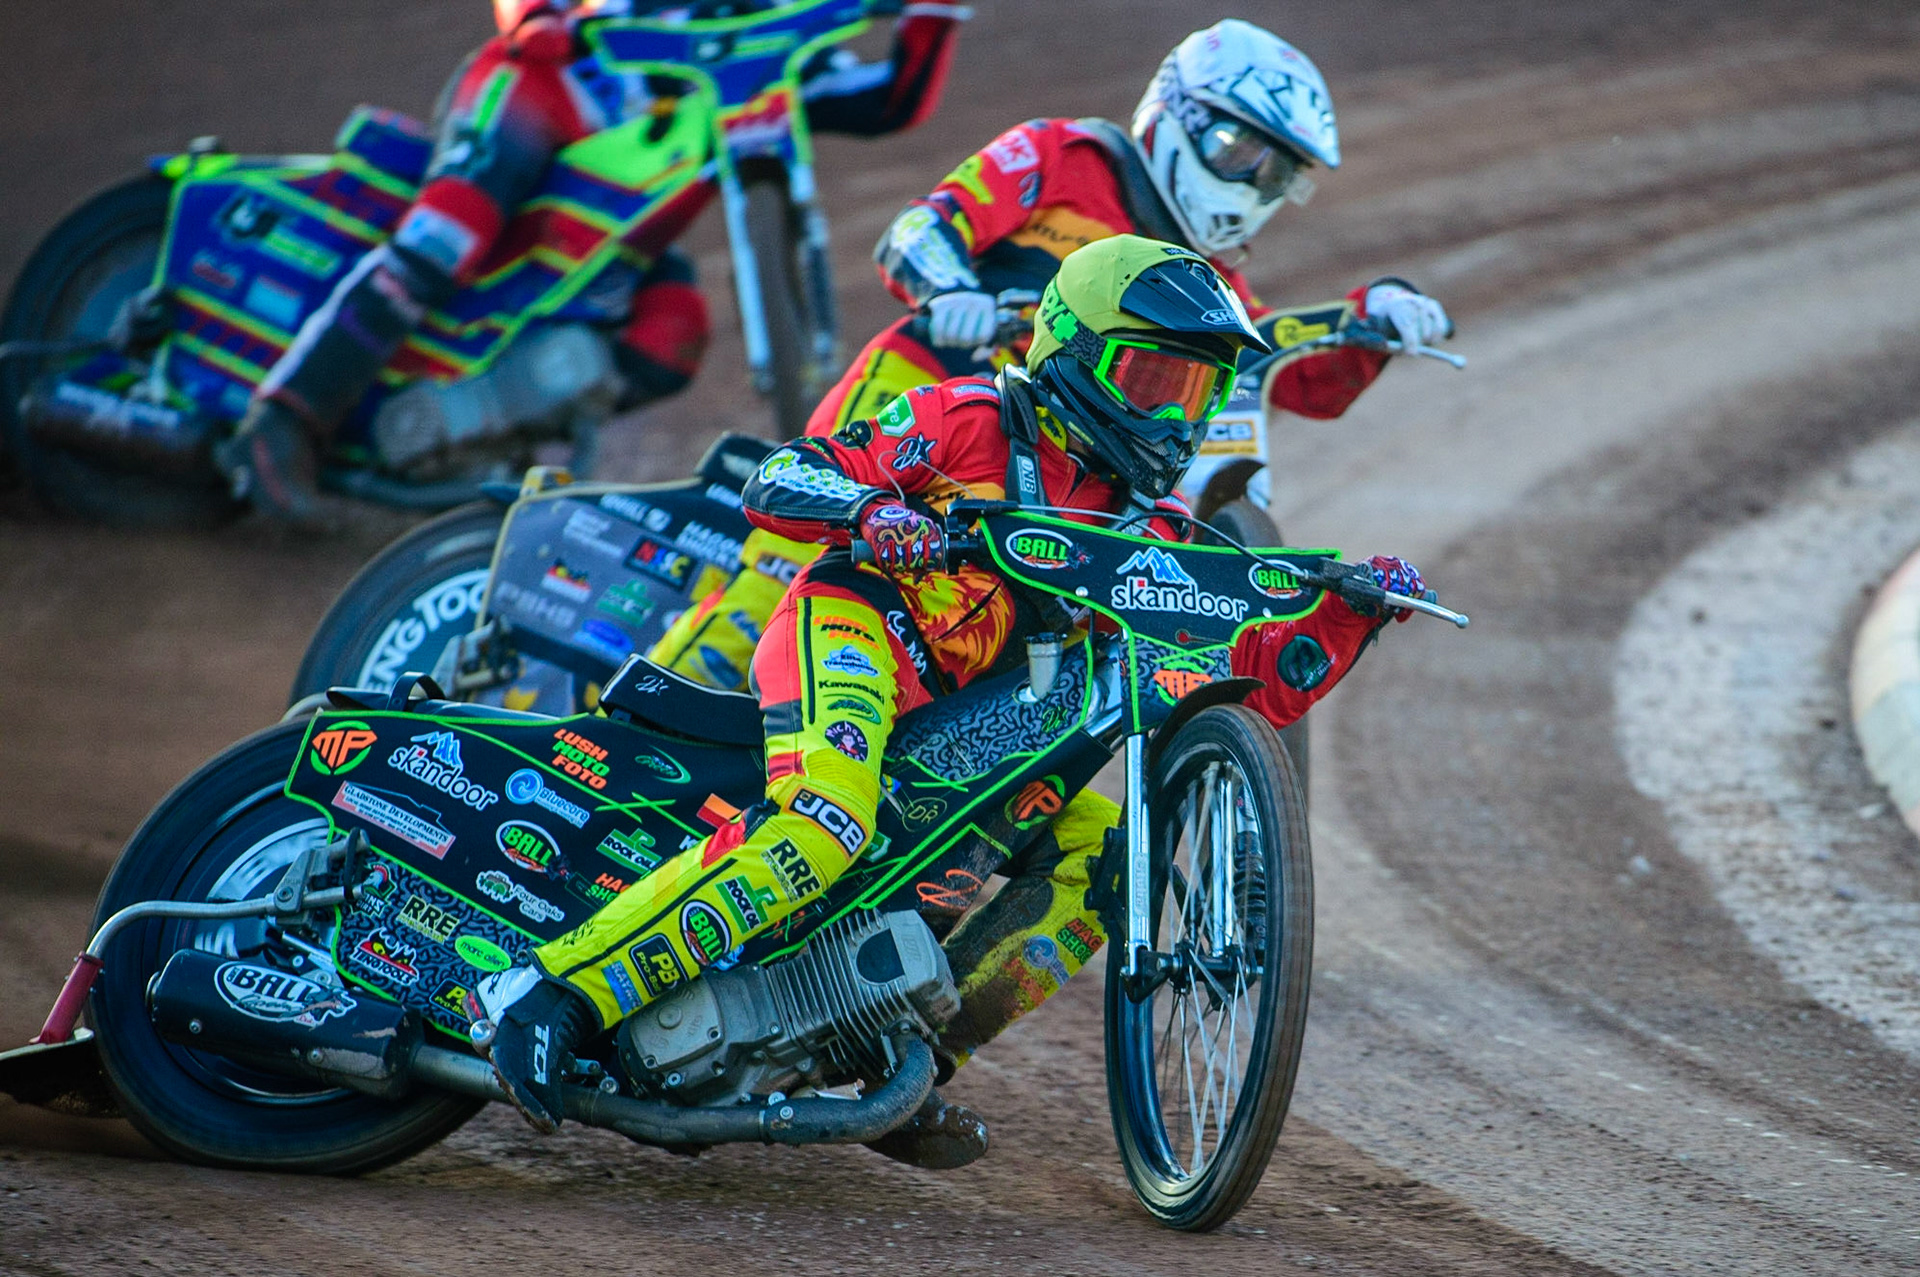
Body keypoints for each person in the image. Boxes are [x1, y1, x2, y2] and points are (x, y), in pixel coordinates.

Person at [472, 235, 1428, 1168]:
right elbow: (785, 475)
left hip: (963, 732)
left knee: (1104, 854)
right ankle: (549, 995)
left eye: (1196, 391)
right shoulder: (970, 416)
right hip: (857, 633)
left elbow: (1259, 674)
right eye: (1151, 381)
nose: (1174, 417)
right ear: (1076, 353)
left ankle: (899, 1066)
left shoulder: (1161, 533)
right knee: (823, 825)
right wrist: (870, 511)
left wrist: (1348, 615)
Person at [645, 16, 1449, 691]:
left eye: (1279, 174)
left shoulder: (1208, 284)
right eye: (1243, 149)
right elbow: (919, 230)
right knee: (777, 577)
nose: (1254, 182)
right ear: (1179, 114)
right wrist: (947, 289)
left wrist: (1365, 319)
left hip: (1055, 468)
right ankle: (618, 742)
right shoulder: (1062, 155)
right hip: (927, 391)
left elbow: (1284, 369)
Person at [219, 0, 968, 524]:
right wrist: (538, 18)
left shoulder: (770, 30)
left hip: (615, 238)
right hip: (550, 85)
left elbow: (881, 101)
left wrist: (932, 17)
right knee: (447, 233)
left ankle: (472, 440)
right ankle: (281, 418)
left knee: (672, 328)